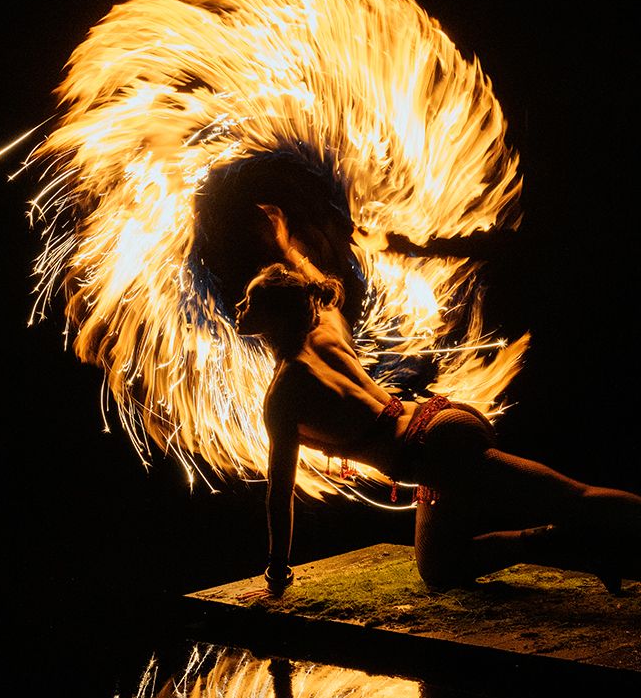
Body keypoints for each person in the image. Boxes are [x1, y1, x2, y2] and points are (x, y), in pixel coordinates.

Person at [235, 252, 641, 596]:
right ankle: (576, 542)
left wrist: (276, 572)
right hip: (436, 435)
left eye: (251, 302)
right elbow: (308, 286)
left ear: (275, 315)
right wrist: (287, 245)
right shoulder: (326, 329)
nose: (240, 308)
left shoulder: (284, 393)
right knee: (440, 568)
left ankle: (594, 530)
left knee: (575, 497)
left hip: (438, 449)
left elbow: (279, 492)